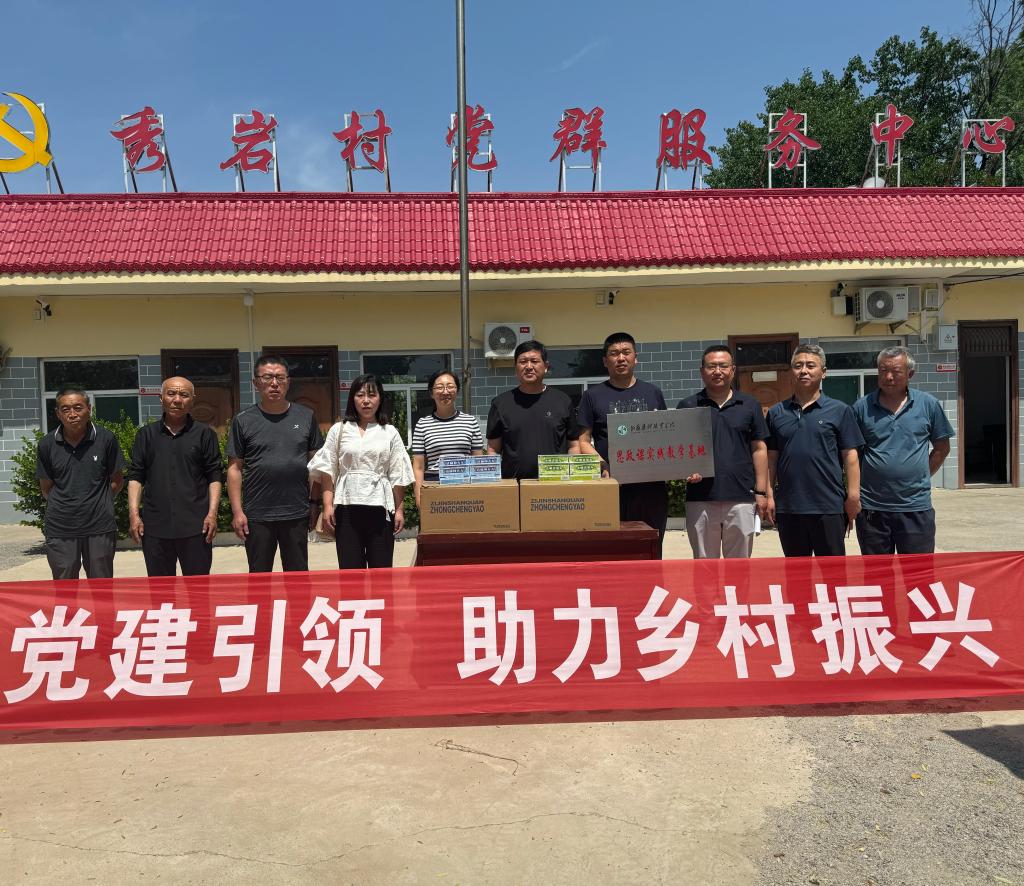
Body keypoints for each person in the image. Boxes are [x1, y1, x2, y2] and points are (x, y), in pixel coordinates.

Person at [577, 331, 672, 557]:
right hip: (611, 486)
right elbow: (583, 440)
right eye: (614, 353)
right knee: (613, 549)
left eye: (626, 352)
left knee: (650, 547)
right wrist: (604, 466)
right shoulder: (592, 396)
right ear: (605, 361)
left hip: (651, 486)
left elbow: (667, 436)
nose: (620, 358)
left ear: (635, 358)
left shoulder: (653, 392)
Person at [227, 355, 324, 573]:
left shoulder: (306, 416)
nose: (274, 383)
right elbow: (234, 469)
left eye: (280, 378)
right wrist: (237, 511)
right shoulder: (243, 420)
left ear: (288, 382)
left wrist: (314, 504)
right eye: (267, 377)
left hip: (296, 512)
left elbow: (317, 466)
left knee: (298, 576)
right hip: (257, 514)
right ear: (255, 383)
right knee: (259, 577)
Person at [852, 346, 953, 554]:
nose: (888, 377)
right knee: (877, 571)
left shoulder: (928, 405)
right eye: (883, 370)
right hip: (872, 508)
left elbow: (942, 449)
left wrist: (920, 475)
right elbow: (853, 454)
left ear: (910, 374)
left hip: (915, 507)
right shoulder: (862, 407)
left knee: (918, 571)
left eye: (896, 371)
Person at [766, 345, 864, 557]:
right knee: (796, 572)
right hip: (790, 507)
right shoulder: (776, 413)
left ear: (823, 372)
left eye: (810, 366)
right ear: (791, 371)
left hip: (828, 506)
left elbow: (850, 457)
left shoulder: (840, 411)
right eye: (798, 365)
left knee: (832, 571)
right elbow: (771, 459)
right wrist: (769, 495)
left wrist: (853, 496)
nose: (804, 370)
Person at [310, 374, 414, 569]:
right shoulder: (339, 430)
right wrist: (328, 506)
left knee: (381, 571)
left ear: (380, 399)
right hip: (346, 509)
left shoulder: (389, 432)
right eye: (360, 395)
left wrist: (399, 510)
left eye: (372, 395)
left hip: (380, 509)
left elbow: (398, 473)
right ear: (352, 398)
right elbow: (327, 470)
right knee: (350, 572)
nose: (366, 401)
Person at [678, 345, 770, 558]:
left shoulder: (749, 404)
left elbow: (759, 449)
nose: (717, 371)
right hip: (700, 498)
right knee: (704, 565)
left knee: (739, 566)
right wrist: (686, 470)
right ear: (702, 371)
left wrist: (761, 492)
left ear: (733, 370)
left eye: (723, 366)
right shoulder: (688, 405)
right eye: (711, 366)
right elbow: (679, 449)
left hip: (741, 498)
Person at [127, 376, 223, 576]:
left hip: (196, 527)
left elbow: (214, 476)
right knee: (160, 590)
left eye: (184, 395)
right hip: (155, 527)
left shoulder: (205, 435)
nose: (177, 400)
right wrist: (134, 515)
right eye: (171, 394)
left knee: (198, 588)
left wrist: (212, 514)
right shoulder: (145, 435)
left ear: (192, 400)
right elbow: (136, 476)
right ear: (161, 398)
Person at [36, 386, 125, 579]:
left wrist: (99, 502)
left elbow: (117, 480)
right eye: (65, 409)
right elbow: (46, 488)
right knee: (65, 586)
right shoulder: (47, 444)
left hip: (100, 525)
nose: (72, 414)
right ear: (58, 413)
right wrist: (66, 506)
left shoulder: (106, 439)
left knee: (101, 585)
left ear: (89, 409)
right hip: (61, 527)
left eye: (78, 408)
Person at [486, 340, 579, 479]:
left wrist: (571, 477)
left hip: (555, 483)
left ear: (546, 366)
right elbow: (493, 449)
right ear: (515, 368)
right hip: (514, 485)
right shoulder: (500, 404)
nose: (529, 366)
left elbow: (573, 446)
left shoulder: (563, 401)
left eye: (534, 361)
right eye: (523, 362)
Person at [411, 368, 484, 506]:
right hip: (434, 485)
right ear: (431, 393)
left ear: (457, 390)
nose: (445, 392)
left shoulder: (470, 422)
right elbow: (418, 467)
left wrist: (479, 494)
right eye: (439, 387)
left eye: (450, 386)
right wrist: (419, 499)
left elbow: (478, 462)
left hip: (465, 486)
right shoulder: (422, 424)